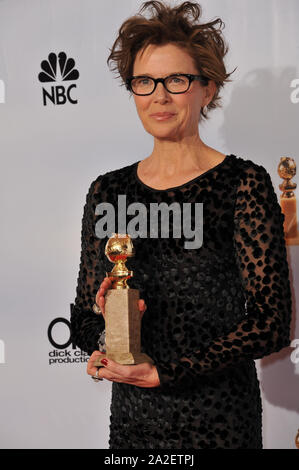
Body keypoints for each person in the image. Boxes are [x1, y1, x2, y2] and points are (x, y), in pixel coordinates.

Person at [70, 0, 292, 449]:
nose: (159, 96)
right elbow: (80, 317)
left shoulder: (242, 184)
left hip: (218, 419)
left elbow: (270, 322)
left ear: (207, 89)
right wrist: (108, 335)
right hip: (134, 423)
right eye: (144, 82)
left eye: (177, 80)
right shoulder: (108, 192)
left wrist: (167, 373)